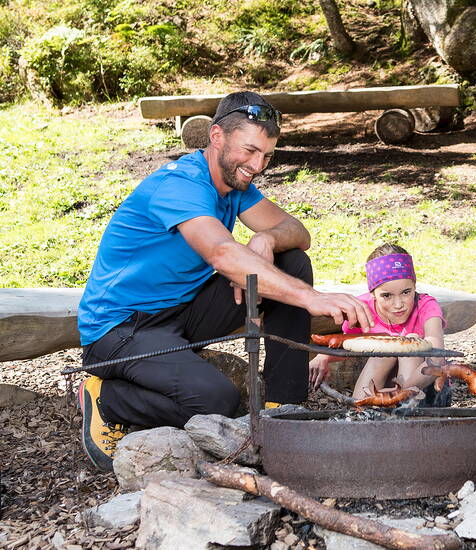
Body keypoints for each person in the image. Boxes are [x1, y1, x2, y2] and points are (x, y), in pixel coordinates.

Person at [76, 91, 372, 471]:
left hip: (182, 312)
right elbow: (221, 253)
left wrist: (265, 239)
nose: (257, 165)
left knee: (292, 260)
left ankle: (284, 407)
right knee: (217, 402)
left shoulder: (236, 186)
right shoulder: (180, 185)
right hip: (120, 329)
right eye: (249, 151)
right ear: (216, 136)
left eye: (266, 155)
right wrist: (310, 298)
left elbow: (296, 231)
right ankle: (108, 398)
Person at [308, 244, 446, 399]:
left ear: (414, 286)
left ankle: (404, 410)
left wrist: (400, 393)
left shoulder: (426, 306)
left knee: (410, 341)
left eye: (406, 292)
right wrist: (323, 357)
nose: (398, 304)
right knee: (384, 350)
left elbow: (437, 357)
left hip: (426, 388)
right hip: (382, 386)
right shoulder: (362, 310)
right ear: (373, 293)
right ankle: (359, 411)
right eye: (387, 295)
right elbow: (352, 347)